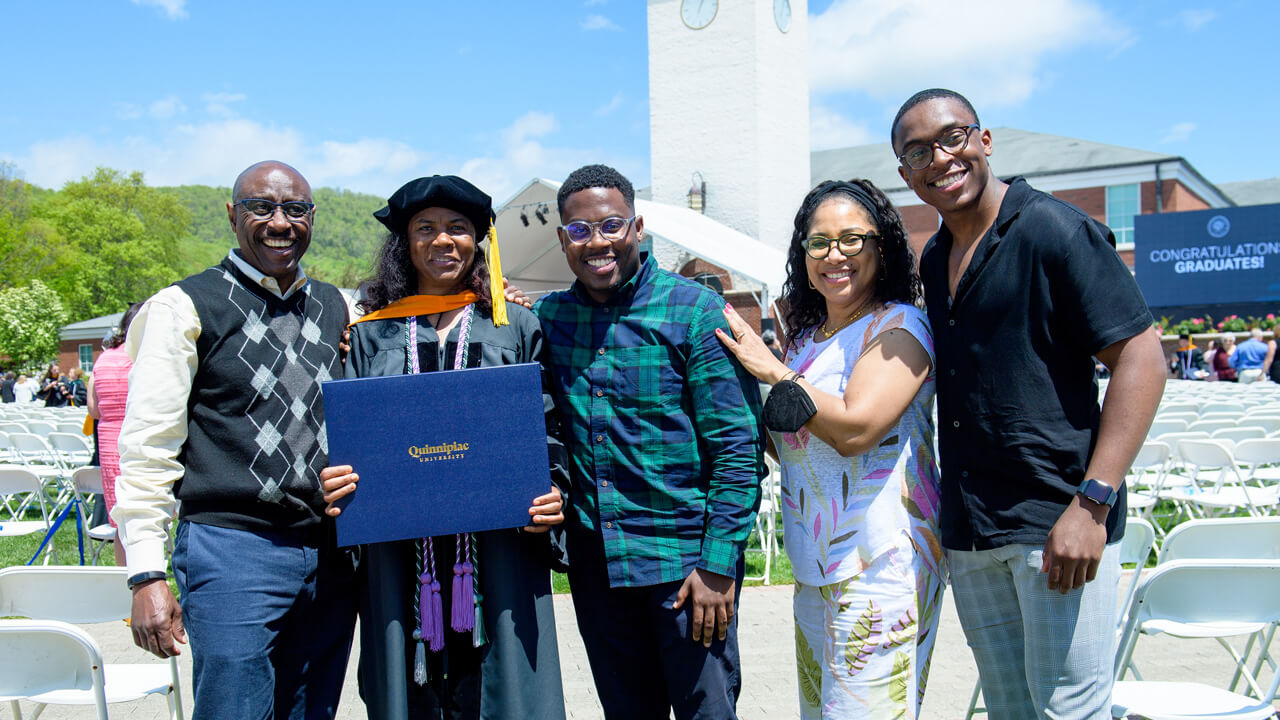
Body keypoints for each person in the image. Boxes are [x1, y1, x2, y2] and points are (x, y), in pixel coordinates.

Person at [891, 88, 1165, 719]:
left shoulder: (1053, 229)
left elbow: (1142, 360)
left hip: (1059, 520)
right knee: (1011, 712)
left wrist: (1093, 504)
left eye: (954, 136)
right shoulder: (934, 255)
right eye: (918, 151)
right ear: (907, 174)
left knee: (1068, 711)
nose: (941, 158)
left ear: (984, 141)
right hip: (974, 527)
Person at [113, 160, 357, 719]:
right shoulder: (182, 307)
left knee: (311, 710)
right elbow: (148, 448)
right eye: (261, 208)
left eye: (295, 209)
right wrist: (146, 573)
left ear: (312, 217)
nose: (280, 222)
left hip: (329, 551)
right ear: (232, 215)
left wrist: (497, 296)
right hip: (232, 549)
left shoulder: (336, 306)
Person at [318, 175, 569, 720]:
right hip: (398, 550)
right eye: (425, 229)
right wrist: (337, 477)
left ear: (478, 241)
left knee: (503, 690)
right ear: (405, 244)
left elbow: (550, 429)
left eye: (457, 228)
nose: (442, 241)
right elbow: (349, 439)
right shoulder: (369, 335)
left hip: (501, 545)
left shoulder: (513, 324)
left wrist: (554, 492)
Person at [534, 164, 765, 720]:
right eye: (580, 231)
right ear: (563, 239)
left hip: (685, 570)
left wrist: (716, 566)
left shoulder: (691, 311)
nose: (597, 243)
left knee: (707, 713)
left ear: (636, 226)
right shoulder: (549, 319)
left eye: (611, 225)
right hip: (599, 570)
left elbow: (737, 450)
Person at [717, 178, 945, 718]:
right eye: (818, 242)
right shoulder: (806, 339)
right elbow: (792, 449)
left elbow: (856, 430)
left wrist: (772, 370)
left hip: (882, 562)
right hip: (816, 563)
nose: (833, 255)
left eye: (851, 239)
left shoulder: (900, 326)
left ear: (881, 247)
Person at [86, 301, 143, 566]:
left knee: (120, 518)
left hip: (108, 440)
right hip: (140, 435)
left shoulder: (103, 359)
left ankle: (125, 576)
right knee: (145, 511)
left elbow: (93, 409)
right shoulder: (143, 356)